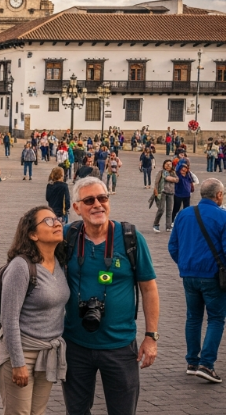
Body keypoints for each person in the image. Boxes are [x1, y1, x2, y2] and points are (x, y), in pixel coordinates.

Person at [62, 177, 159, 415]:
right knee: (76, 411)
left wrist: (151, 336)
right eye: (89, 200)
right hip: (75, 345)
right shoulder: (67, 236)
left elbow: (149, 288)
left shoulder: (131, 239)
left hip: (120, 346)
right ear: (76, 207)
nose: (98, 204)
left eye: (103, 198)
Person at [0, 206, 69, 415]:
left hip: (48, 353)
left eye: (57, 219)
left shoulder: (60, 263)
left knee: (37, 413)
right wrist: (18, 362)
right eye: (48, 222)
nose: (57, 223)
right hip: (21, 353)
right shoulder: (20, 267)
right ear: (32, 234)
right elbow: (9, 319)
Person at [169, 178, 226, 383]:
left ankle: (192, 361)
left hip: (189, 275)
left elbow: (173, 246)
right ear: (218, 195)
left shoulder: (184, 214)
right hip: (213, 276)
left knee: (193, 318)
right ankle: (206, 364)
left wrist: (185, 265)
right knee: (216, 319)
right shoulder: (223, 216)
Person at [152, 160, 178, 233]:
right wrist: (156, 192)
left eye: (170, 164)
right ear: (164, 165)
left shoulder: (173, 173)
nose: (168, 166)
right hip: (162, 192)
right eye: (166, 164)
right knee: (161, 209)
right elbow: (156, 182)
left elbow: (177, 180)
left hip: (171, 193)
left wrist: (170, 178)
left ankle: (168, 226)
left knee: (169, 211)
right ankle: (156, 224)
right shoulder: (161, 172)